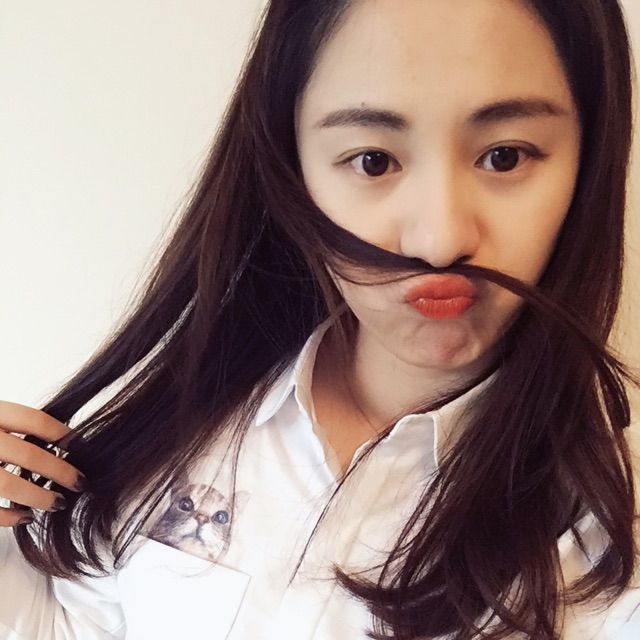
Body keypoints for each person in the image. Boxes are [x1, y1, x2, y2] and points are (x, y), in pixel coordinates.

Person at [1, 0, 639, 638]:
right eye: (373, 161)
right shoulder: (180, 422)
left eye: (505, 156)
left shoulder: (615, 549)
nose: (440, 241)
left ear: (588, 161)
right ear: (292, 170)